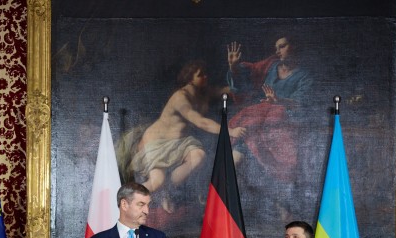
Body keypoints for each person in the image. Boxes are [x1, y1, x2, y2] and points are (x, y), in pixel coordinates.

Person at [123, 60, 246, 213]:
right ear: (189, 78)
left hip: (180, 142)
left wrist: (233, 67)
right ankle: (124, 202)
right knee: (157, 182)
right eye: (200, 75)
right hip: (157, 142)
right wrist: (229, 131)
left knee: (198, 156)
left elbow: (232, 89)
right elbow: (200, 122)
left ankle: (168, 190)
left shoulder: (204, 93)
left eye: (205, 74)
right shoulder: (180, 97)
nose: (205, 77)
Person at [226, 36, 313, 184]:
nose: (278, 51)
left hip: (282, 124)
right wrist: (233, 67)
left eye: (282, 46)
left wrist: (278, 100)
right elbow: (246, 81)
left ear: (294, 47)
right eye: (276, 48)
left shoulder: (304, 76)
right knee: (238, 152)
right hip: (258, 121)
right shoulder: (270, 67)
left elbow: (301, 103)